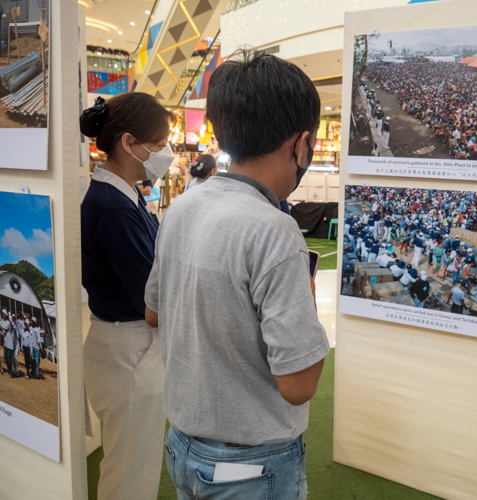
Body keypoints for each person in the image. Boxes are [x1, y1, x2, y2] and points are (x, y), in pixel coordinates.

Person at [145, 50, 330, 499]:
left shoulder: (184, 206)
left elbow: (153, 314)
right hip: (252, 466)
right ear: (301, 144)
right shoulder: (275, 229)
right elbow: (299, 385)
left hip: (183, 445)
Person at [80, 93, 175, 500]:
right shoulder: (113, 206)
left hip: (127, 346)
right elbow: (151, 304)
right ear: (128, 143)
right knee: (130, 471)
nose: (165, 153)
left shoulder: (125, 194)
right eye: (157, 145)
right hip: (128, 349)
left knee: (132, 460)